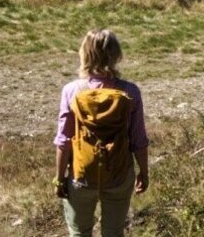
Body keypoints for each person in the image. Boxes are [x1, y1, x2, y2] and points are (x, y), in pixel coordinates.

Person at [53, 29, 150, 237]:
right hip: (119, 175)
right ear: (116, 55)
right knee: (114, 233)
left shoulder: (72, 91)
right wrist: (144, 172)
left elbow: (64, 141)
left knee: (79, 233)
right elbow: (138, 140)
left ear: (84, 54)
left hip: (81, 176)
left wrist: (60, 179)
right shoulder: (130, 92)